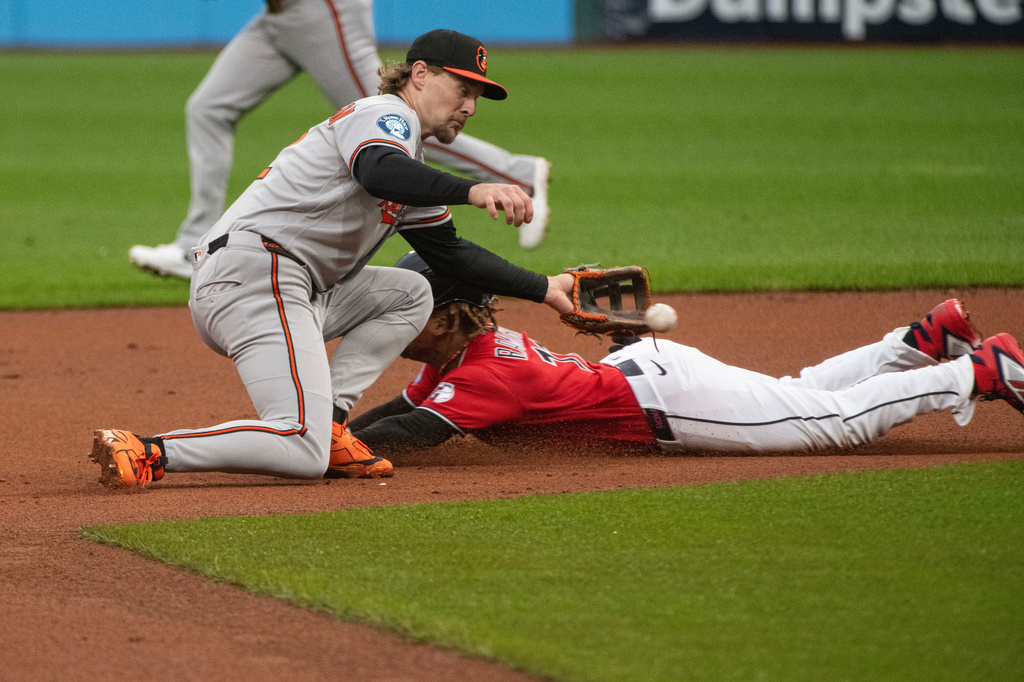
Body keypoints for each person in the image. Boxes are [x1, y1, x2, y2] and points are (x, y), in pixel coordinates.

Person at [90, 29, 576, 489]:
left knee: (411, 292)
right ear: (421, 74)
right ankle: (151, 450)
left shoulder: (412, 167)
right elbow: (378, 171)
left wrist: (545, 288)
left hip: (278, 282)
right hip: (258, 273)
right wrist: (474, 188)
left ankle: (332, 424)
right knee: (302, 449)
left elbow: (451, 254)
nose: (469, 106)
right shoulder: (383, 115)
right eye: (463, 87)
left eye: (478, 96)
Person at [348, 253, 1024, 458]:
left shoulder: (493, 373)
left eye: (403, 312)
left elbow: (412, 433)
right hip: (650, 373)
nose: (390, 322)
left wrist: (332, 453)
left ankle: (980, 369)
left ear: (443, 320)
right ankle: (922, 342)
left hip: (668, 400)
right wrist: (336, 437)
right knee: (800, 393)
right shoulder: (461, 357)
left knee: (833, 422)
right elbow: (399, 408)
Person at [129, 2, 550, 281]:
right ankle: (192, 243)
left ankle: (517, 175)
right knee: (208, 108)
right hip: (278, 16)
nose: (474, 107)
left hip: (322, 8)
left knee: (402, 116)